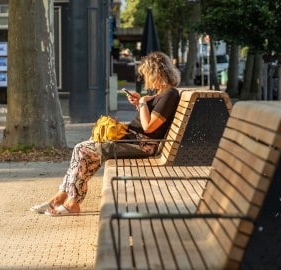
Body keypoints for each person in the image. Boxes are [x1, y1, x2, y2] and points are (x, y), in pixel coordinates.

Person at [31, 51, 181, 216]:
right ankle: (62, 199)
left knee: (82, 150)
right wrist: (139, 104)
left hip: (141, 145)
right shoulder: (161, 93)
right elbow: (148, 122)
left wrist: (144, 103)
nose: (145, 79)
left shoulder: (169, 95)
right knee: (86, 148)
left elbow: (149, 128)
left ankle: (70, 202)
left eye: (146, 74)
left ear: (156, 73)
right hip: (132, 140)